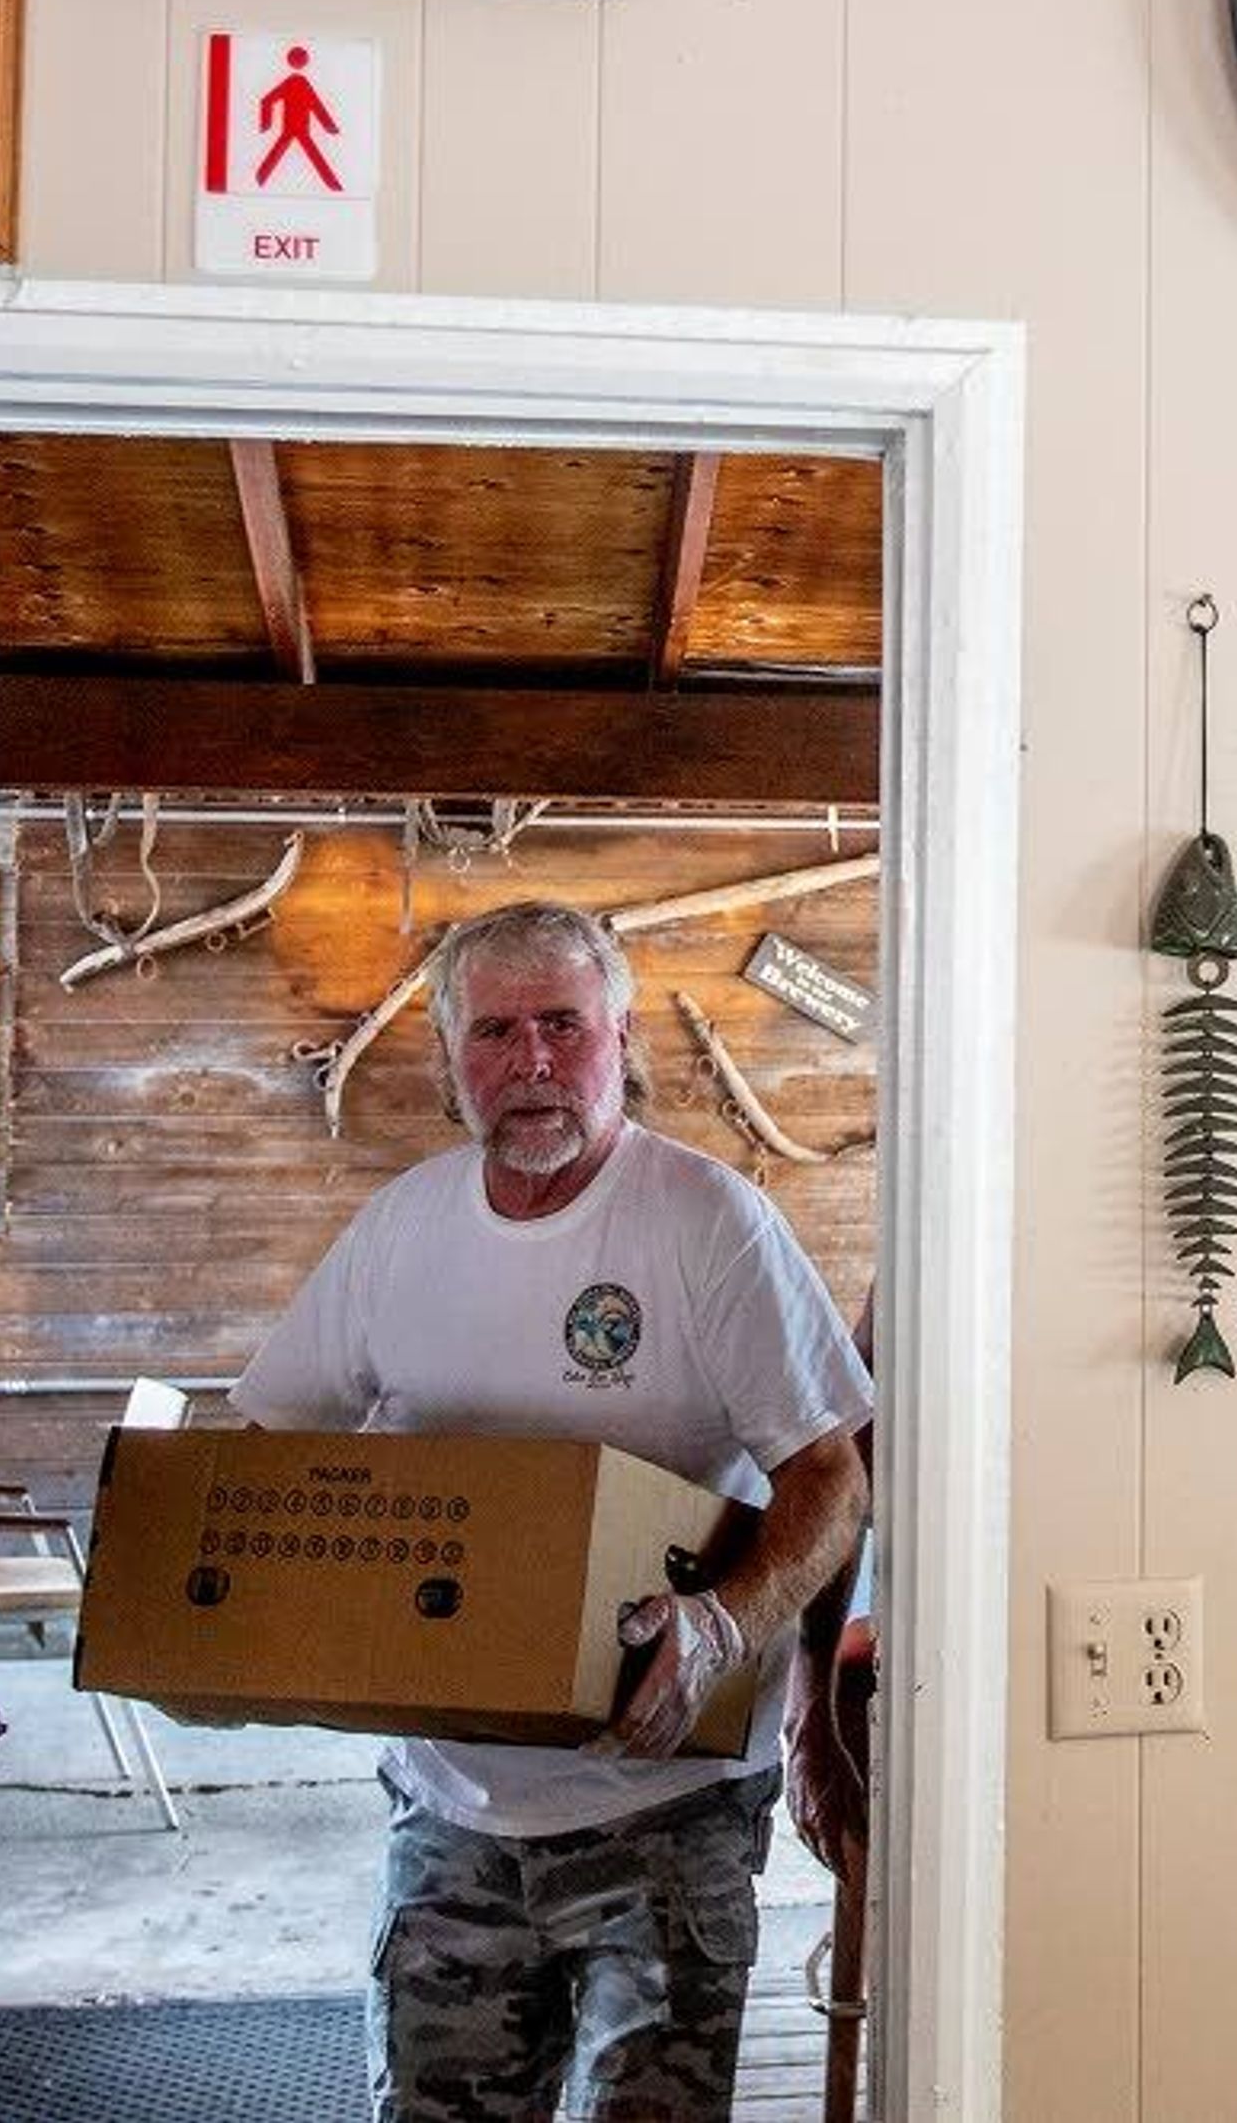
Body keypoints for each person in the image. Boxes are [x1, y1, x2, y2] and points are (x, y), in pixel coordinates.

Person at [233, 899, 874, 2123]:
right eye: (496, 1031)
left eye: (563, 1025)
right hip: (450, 1813)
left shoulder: (708, 1223)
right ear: (449, 1057)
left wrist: (731, 1635)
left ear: (620, 1034)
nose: (531, 1061)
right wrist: (237, 1625)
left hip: (661, 1813)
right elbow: (269, 1439)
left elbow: (829, 1474)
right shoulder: (403, 1229)